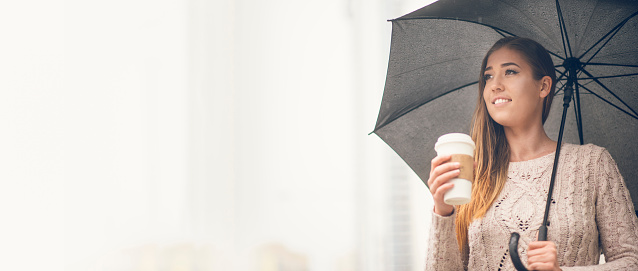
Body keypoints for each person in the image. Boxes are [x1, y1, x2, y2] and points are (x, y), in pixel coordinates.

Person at [425, 37, 638, 270]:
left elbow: (632, 261)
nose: (495, 84)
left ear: (544, 86)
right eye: (488, 76)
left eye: (510, 72)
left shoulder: (592, 163)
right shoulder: (471, 171)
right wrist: (442, 211)